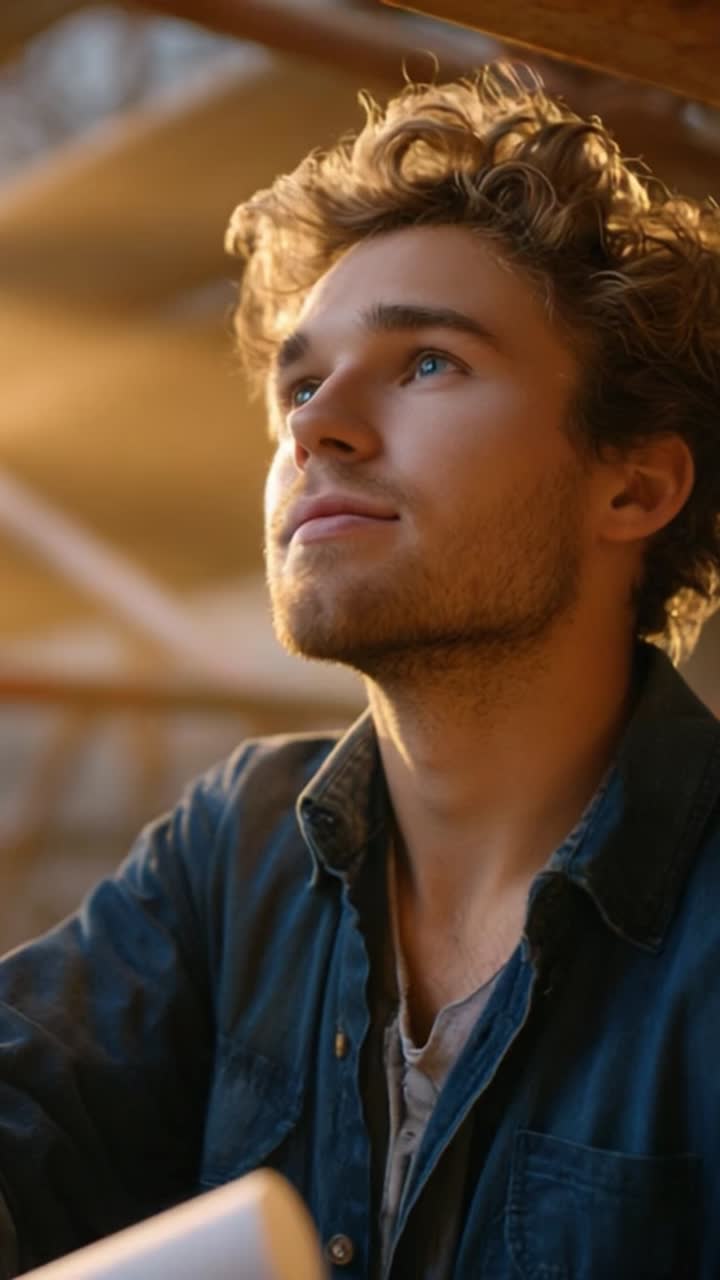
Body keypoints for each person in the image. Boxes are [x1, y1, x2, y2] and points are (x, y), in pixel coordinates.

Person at [2, 62, 720, 1280]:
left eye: (428, 360)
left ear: (633, 485)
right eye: (298, 380)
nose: (312, 423)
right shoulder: (237, 850)